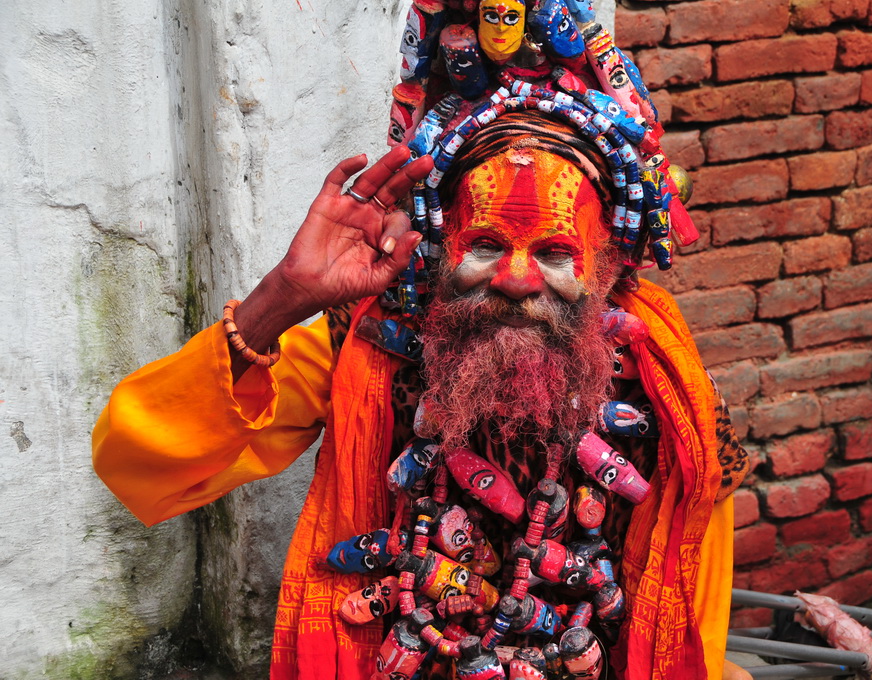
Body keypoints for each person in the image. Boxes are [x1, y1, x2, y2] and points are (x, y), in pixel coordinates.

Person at [93, 4, 752, 679]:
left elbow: (693, 608)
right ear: (441, 247)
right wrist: (279, 300)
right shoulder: (376, 341)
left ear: (607, 260)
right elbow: (136, 465)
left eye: (556, 253)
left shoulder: (658, 373)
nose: (518, 280)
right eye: (487, 246)